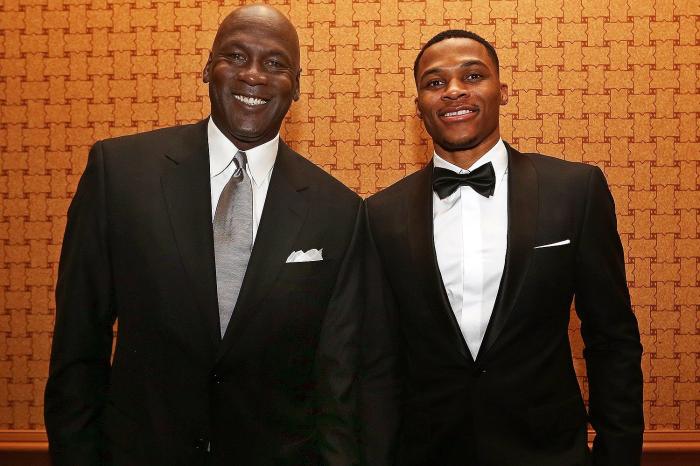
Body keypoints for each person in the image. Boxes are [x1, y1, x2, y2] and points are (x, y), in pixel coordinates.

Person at [45, 5, 362, 465]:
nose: (253, 75)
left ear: (297, 85)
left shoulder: (340, 210)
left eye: (275, 63)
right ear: (207, 69)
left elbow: (338, 378)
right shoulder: (120, 173)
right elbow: (78, 345)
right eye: (236, 56)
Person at [363, 30, 644, 465]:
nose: (454, 90)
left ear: (503, 91)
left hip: (548, 453)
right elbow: (377, 362)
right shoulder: (379, 214)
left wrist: (618, 455)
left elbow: (612, 339)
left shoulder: (575, 191)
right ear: (419, 106)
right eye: (435, 82)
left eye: (472, 76)